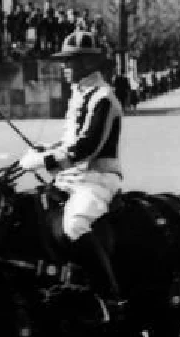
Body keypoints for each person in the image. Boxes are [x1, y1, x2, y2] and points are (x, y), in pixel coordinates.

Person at [17, 28, 125, 318]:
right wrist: (44, 150)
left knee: (74, 225)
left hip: (97, 178)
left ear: (89, 64)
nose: (65, 68)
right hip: (73, 177)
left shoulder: (103, 98)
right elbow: (70, 141)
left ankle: (110, 297)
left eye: (71, 61)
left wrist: (44, 161)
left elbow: (86, 148)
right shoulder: (79, 94)